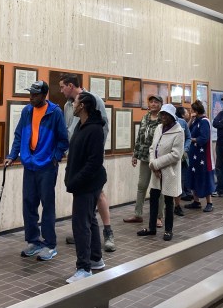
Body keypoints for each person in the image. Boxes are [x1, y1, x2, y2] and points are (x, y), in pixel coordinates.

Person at [5, 80, 69, 261]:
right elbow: (18, 135)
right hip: (29, 165)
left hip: (47, 166)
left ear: (44, 95)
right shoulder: (27, 111)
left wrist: (55, 157)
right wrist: (12, 155)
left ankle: (50, 244)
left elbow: (63, 140)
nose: (31, 98)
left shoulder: (55, 112)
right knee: (29, 203)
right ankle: (34, 241)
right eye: (30, 95)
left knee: (47, 205)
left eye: (35, 95)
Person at [59, 74, 116, 252]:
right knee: (82, 198)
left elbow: (103, 127)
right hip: (75, 156)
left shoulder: (94, 100)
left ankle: (108, 233)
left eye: (62, 87)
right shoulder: (68, 105)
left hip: (91, 156)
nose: (61, 90)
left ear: (70, 85)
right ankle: (83, 234)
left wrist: (94, 152)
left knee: (97, 194)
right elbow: (69, 130)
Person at [64, 91, 107, 283]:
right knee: (90, 220)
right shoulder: (82, 126)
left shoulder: (95, 130)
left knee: (80, 225)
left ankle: (83, 268)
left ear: (83, 106)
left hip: (87, 184)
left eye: (75, 103)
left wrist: (75, 180)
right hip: (81, 182)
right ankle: (96, 259)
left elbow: (94, 162)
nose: (73, 105)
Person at [137, 104, 183, 241]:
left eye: (166, 115)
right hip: (156, 171)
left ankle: (168, 230)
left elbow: (176, 155)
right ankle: (151, 228)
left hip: (169, 172)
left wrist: (157, 164)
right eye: (162, 114)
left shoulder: (179, 131)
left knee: (168, 201)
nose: (163, 117)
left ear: (172, 117)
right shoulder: (158, 128)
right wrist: (153, 164)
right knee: (153, 198)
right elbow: (152, 148)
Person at [124, 94, 163, 227]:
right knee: (141, 185)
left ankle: (159, 217)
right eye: (151, 102)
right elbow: (140, 137)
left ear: (160, 104)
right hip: (145, 158)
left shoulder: (163, 120)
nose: (153, 104)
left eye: (156, 102)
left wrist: (159, 162)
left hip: (157, 159)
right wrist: (135, 154)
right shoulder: (145, 117)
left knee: (158, 188)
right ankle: (138, 214)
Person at [184, 100, 215, 211]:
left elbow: (203, 138)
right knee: (193, 176)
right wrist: (191, 119)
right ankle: (196, 201)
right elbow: (186, 131)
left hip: (203, 156)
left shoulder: (204, 121)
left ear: (196, 111)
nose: (190, 112)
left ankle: (209, 203)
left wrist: (191, 140)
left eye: (191, 110)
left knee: (204, 177)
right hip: (194, 155)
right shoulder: (196, 121)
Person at [173, 106, 193, 217]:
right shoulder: (162, 123)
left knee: (180, 181)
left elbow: (188, 138)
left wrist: (185, 150)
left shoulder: (182, 123)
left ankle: (177, 205)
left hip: (181, 157)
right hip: (168, 157)